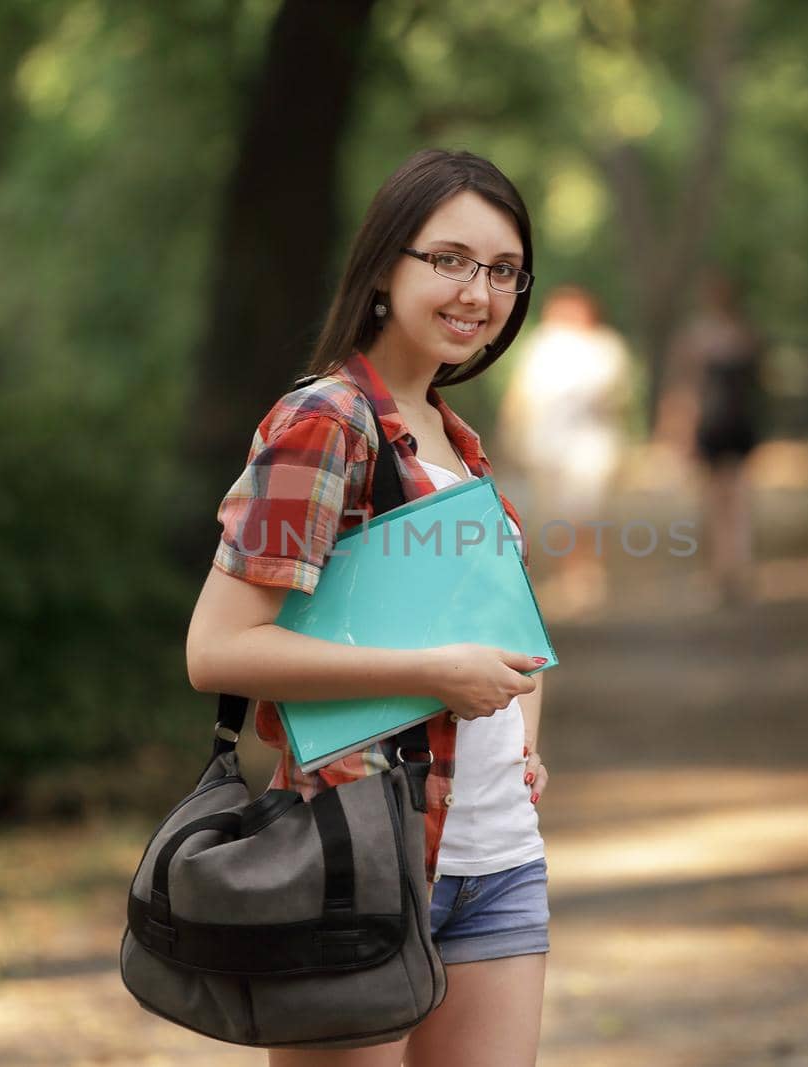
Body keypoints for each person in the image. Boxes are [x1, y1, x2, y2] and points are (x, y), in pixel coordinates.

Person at [184, 149, 551, 1067]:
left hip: (497, 862)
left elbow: (504, 643)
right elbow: (219, 647)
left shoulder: (457, 442)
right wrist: (432, 677)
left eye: (503, 270)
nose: (480, 290)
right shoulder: (327, 421)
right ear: (386, 266)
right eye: (451, 259)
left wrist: (523, 731)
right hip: (356, 856)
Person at [497, 285, 635, 616]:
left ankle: (586, 572)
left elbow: (619, 400)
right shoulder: (543, 345)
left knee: (586, 511)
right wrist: (511, 433)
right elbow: (521, 394)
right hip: (548, 446)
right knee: (556, 513)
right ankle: (566, 574)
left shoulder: (605, 348)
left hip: (591, 446)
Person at [657, 271, 764, 601]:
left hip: (732, 426)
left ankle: (733, 566)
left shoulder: (737, 335)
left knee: (732, 498)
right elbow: (685, 387)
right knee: (720, 499)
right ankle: (725, 567)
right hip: (714, 426)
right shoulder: (716, 336)